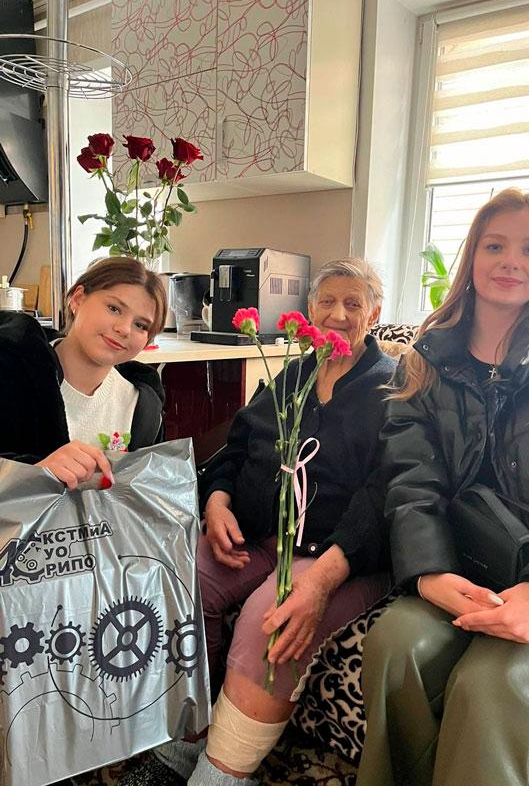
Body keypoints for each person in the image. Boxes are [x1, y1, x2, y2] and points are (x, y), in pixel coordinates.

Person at [356, 188, 529, 786]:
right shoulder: (422, 365)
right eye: (495, 246)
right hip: (463, 568)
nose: (511, 261)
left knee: (489, 686)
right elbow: (411, 484)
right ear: (472, 256)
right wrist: (430, 576)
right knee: (394, 646)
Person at [131, 258, 395, 786]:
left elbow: (385, 494)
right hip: (259, 536)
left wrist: (322, 577)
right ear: (309, 310)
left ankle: (222, 775)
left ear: (375, 313)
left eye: (354, 303)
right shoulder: (290, 374)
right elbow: (236, 448)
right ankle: (185, 739)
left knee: (267, 620)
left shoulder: (394, 389)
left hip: (337, 555)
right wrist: (217, 503)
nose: (339, 314)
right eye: (327, 302)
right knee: (181, 578)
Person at [0, 257, 166, 486]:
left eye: (141, 325)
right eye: (114, 308)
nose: (124, 329)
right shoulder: (10, 373)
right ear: (78, 299)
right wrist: (33, 474)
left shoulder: (142, 409)